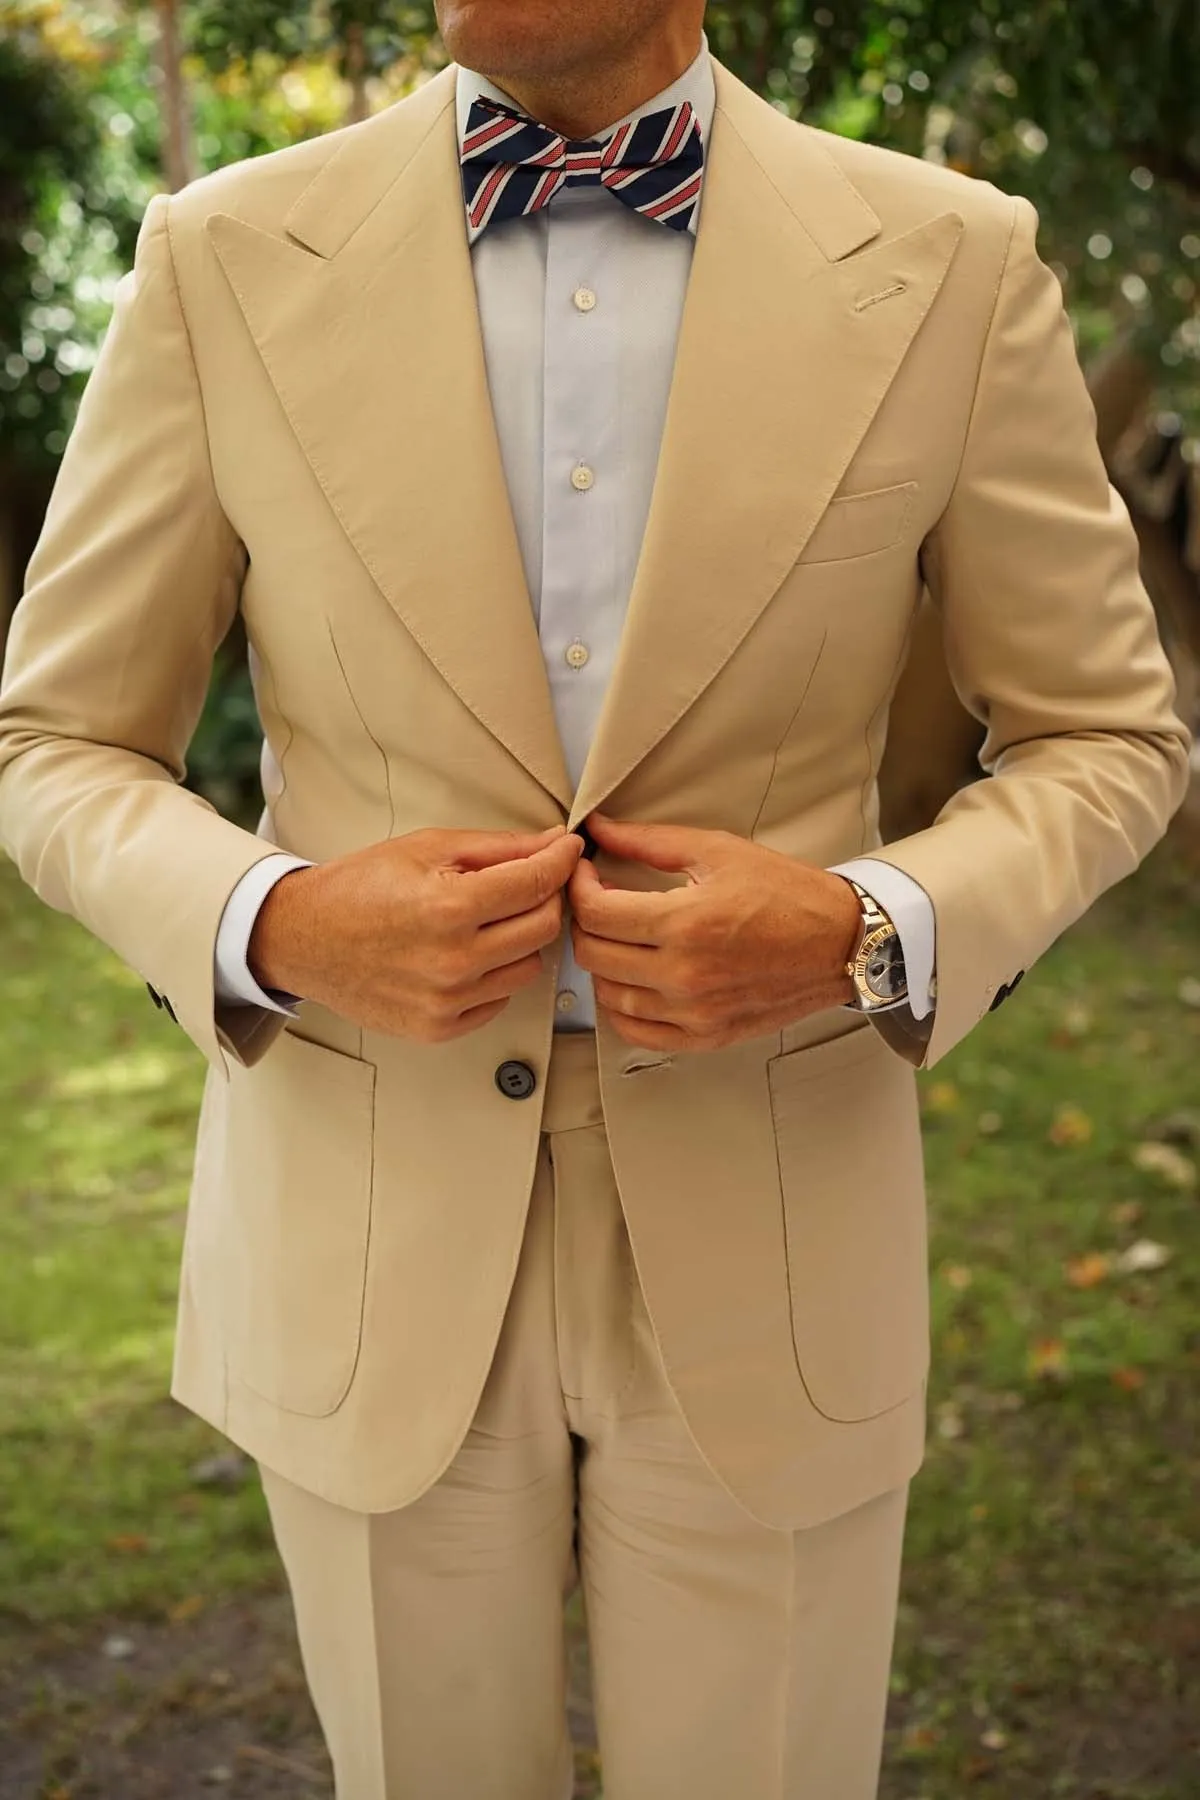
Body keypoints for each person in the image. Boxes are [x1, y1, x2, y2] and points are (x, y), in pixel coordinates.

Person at [0, 2, 1189, 1795]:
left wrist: (868, 925)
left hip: (779, 1225)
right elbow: (56, 742)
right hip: (365, 1223)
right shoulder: (221, 256)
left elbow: (1108, 732)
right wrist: (279, 919)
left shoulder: (951, 261)